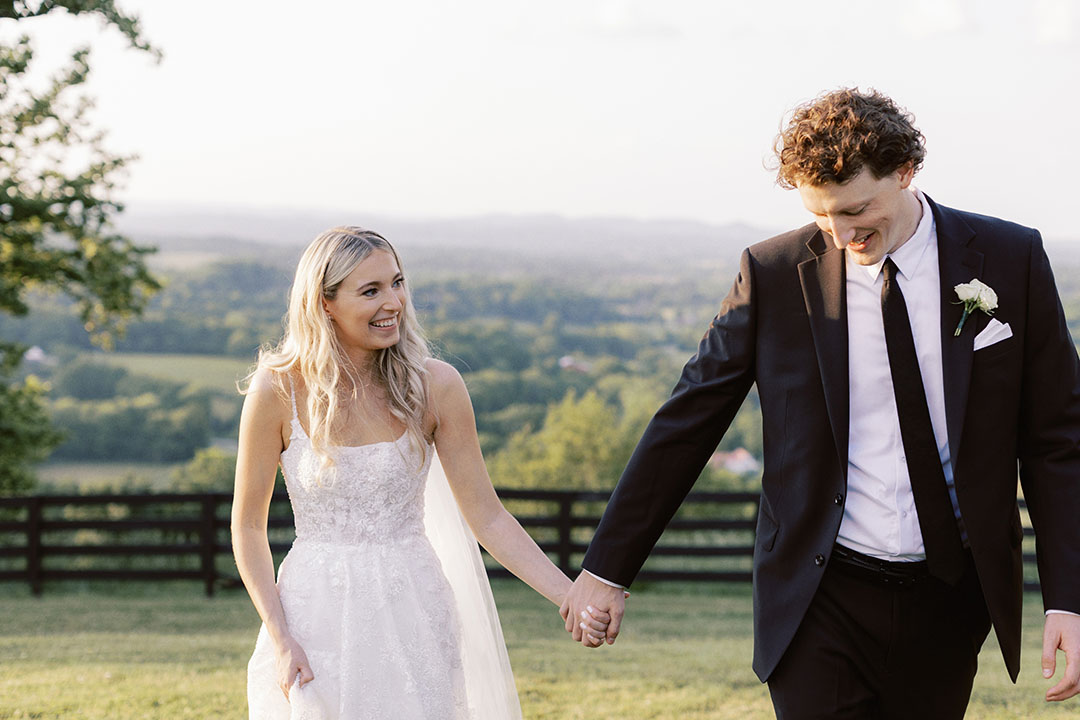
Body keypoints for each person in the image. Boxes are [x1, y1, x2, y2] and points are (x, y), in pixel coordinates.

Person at [561, 88, 1080, 717]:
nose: (839, 233)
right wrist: (608, 567)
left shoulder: (1010, 259)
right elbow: (689, 419)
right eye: (821, 215)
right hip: (818, 592)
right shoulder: (773, 273)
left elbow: (1058, 442)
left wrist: (1068, 599)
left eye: (857, 209)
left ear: (905, 172)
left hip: (952, 595)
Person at [231, 226, 609, 719]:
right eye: (370, 291)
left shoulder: (436, 386)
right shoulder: (277, 390)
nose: (393, 302)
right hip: (312, 617)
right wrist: (281, 637)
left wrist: (570, 595)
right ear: (325, 303)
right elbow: (247, 527)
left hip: (413, 607)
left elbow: (488, 517)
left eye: (397, 282)